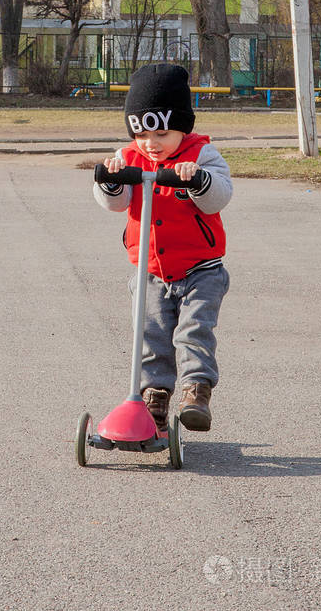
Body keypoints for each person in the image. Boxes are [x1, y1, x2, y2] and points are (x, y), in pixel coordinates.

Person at [93, 62, 232, 433]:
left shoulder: (201, 155)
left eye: (162, 134)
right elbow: (116, 202)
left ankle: (195, 391)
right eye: (142, 134)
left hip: (200, 270)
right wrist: (110, 181)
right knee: (149, 335)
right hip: (150, 270)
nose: (151, 144)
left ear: (182, 127)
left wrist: (199, 180)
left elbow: (219, 196)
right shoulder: (130, 158)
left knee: (193, 331)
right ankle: (153, 397)